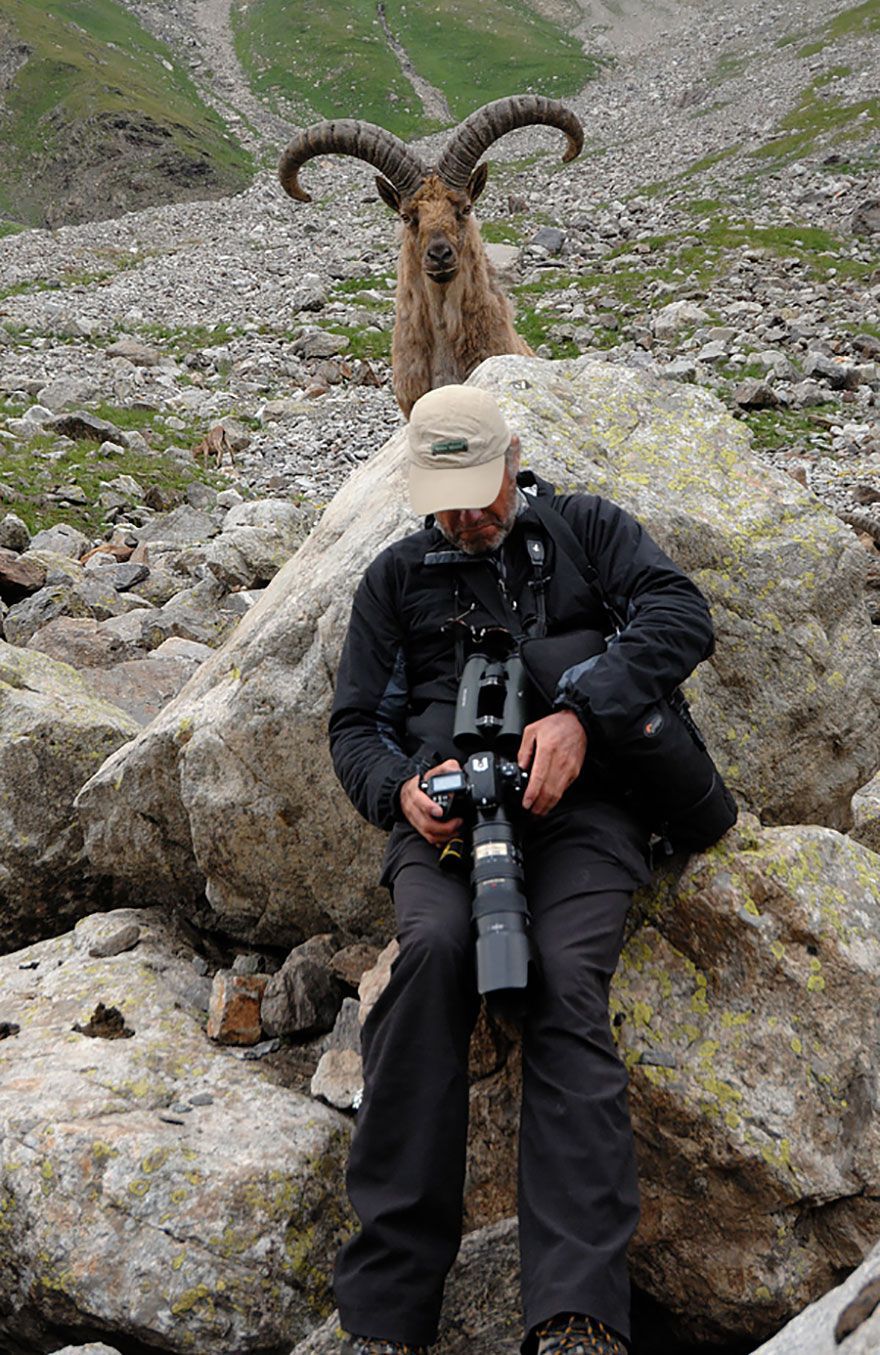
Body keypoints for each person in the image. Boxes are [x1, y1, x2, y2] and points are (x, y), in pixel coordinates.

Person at [328, 385, 717, 1355]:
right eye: (446, 496)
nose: (466, 513)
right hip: (447, 823)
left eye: (480, 488)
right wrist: (396, 790)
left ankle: (576, 1311)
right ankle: (384, 1311)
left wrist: (582, 712)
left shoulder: (585, 529)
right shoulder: (394, 579)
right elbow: (351, 726)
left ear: (514, 456)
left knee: (566, 978)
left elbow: (679, 612)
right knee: (429, 956)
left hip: (585, 817)